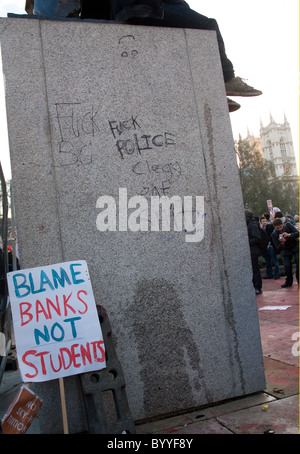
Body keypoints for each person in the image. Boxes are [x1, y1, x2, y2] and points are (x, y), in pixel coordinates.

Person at [28, 0, 262, 112]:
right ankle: (226, 79)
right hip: (143, 8)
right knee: (207, 25)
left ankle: (207, 90)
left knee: (171, 49)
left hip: (117, 13)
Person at [271, 218, 299, 288]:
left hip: (295, 247)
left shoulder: (288, 225)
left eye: (280, 227)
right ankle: (289, 281)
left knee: (298, 261)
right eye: (277, 228)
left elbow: (297, 233)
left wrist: (289, 235)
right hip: (286, 250)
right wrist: (282, 243)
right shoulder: (274, 234)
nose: (279, 229)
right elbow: (277, 248)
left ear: (282, 224)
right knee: (287, 266)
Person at [245, 210, 262, 294]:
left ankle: (258, 287)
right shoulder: (250, 224)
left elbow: (257, 238)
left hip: (253, 250)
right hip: (251, 250)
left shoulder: (252, 225)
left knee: (255, 270)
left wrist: (247, 242)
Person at [263, 213, 280, 279]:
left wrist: (272, 244)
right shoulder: (266, 227)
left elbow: (271, 237)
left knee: (274, 260)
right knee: (271, 260)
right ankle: (273, 274)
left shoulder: (268, 226)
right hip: (269, 246)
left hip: (270, 246)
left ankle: (276, 274)